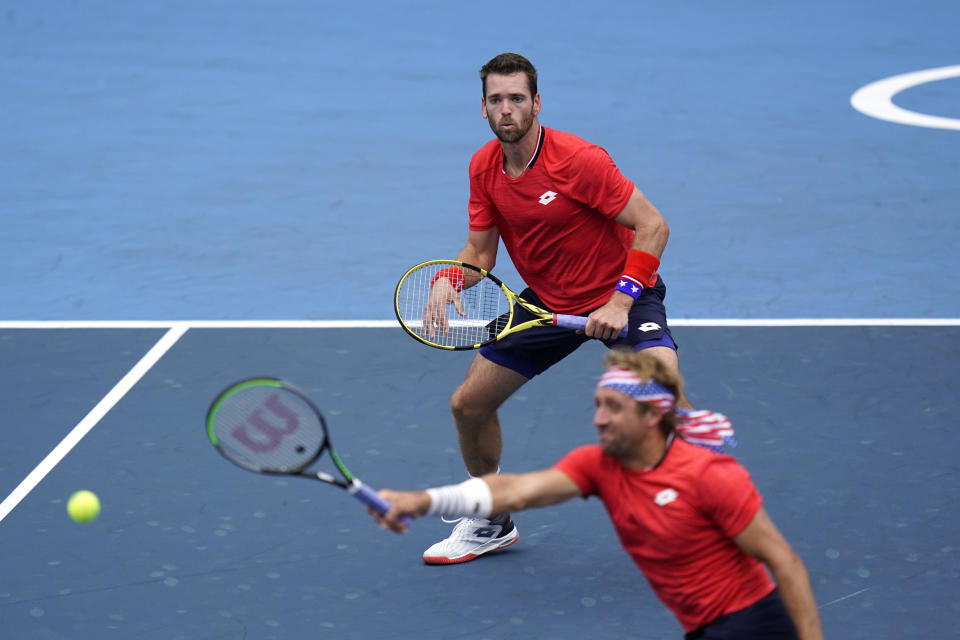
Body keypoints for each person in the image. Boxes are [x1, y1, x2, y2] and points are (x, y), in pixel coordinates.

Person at [421, 52, 690, 564]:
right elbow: (480, 252)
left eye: (517, 98)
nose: (507, 109)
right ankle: (491, 520)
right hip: (547, 301)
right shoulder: (484, 167)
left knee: (660, 387)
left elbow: (653, 225)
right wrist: (450, 278)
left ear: (536, 103)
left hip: (622, 293)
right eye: (496, 99)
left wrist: (619, 301)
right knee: (469, 405)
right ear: (483, 108)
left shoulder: (579, 160)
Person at [371, 351, 824, 640]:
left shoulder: (710, 475)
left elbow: (784, 562)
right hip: (703, 626)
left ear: (650, 417)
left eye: (613, 408)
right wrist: (423, 501)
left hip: (754, 624)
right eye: (597, 405)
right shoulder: (600, 466)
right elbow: (517, 491)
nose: (599, 419)